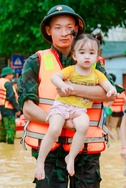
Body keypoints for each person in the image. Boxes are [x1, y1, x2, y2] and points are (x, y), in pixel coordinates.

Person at [18, 5, 118, 187]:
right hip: (50, 151)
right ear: (48, 31)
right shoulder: (35, 62)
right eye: (57, 27)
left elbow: (109, 94)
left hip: (86, 149)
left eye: (69, 28)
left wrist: (72, 88)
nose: (64, 33)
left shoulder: (94, 62)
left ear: (77, 30)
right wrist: (64, 122)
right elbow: (28, 109)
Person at [34, 33, 117, 180]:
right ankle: (40, 162)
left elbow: (109, 87)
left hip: (79, 110)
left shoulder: (97, 74)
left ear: (97, 57)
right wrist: (62, 85)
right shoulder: (71, 70)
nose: (87, 57)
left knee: (83, 126)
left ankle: (70, 157)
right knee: (54, 128)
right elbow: (55, 77)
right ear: (74, 55)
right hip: (62, 106)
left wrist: (112, 91)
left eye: (91, 53)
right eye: (82, 52)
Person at [0, 67, 21, 144]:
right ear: (8, 74)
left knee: (2, 130)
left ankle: (2, 144)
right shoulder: (8, 83)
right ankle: (10, 146)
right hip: (8, 109)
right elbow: (11, 97)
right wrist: (17, 109)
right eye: (11, 74)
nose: (12, 76)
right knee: (11, 130)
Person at [106, 73, 126, 141]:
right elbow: (125, 99)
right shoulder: (120, 87)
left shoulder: (112, 89)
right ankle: (120, 140)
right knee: (118, 127)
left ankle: (115, 140)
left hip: (113, 111)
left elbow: (111, 102)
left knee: (108, 128)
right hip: (121, 111)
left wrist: (106, 109)